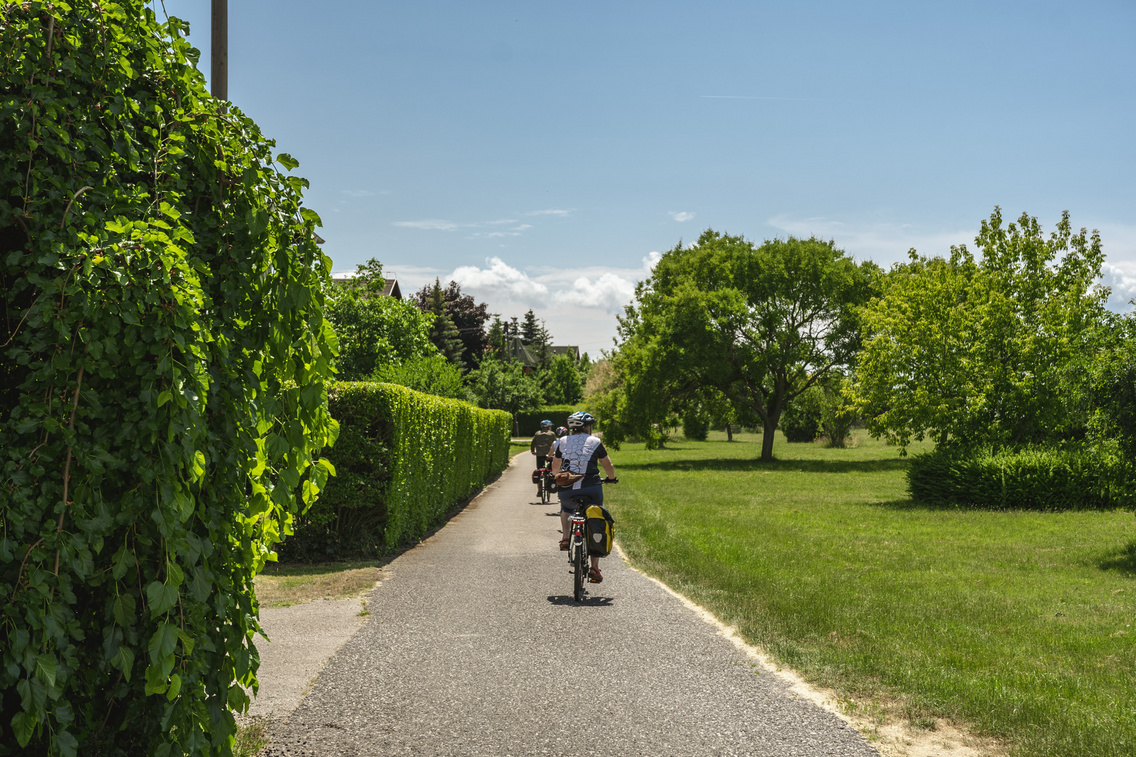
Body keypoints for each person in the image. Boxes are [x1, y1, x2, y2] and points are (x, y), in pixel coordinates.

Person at [551, 411, 616, 583]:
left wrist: (557, 476)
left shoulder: (562, 441)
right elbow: (607, 464)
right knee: (596, 517)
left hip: (567, 489)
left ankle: (566, 538)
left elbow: (555, 466)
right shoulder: (595, 442)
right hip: (591, 488)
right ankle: (594, 568)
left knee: (566, 508)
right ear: (587, 427)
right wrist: (611, 479)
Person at [530, 419, 557, 497]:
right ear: (548, 427)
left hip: (539, 455)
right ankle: (551, 485)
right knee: (550, 471)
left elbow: (533, 443)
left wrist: (533, 451)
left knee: (539, 470)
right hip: (550, 455)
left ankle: (539, 491)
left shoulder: (537, 434)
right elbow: (555, 444)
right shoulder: (552, 434)